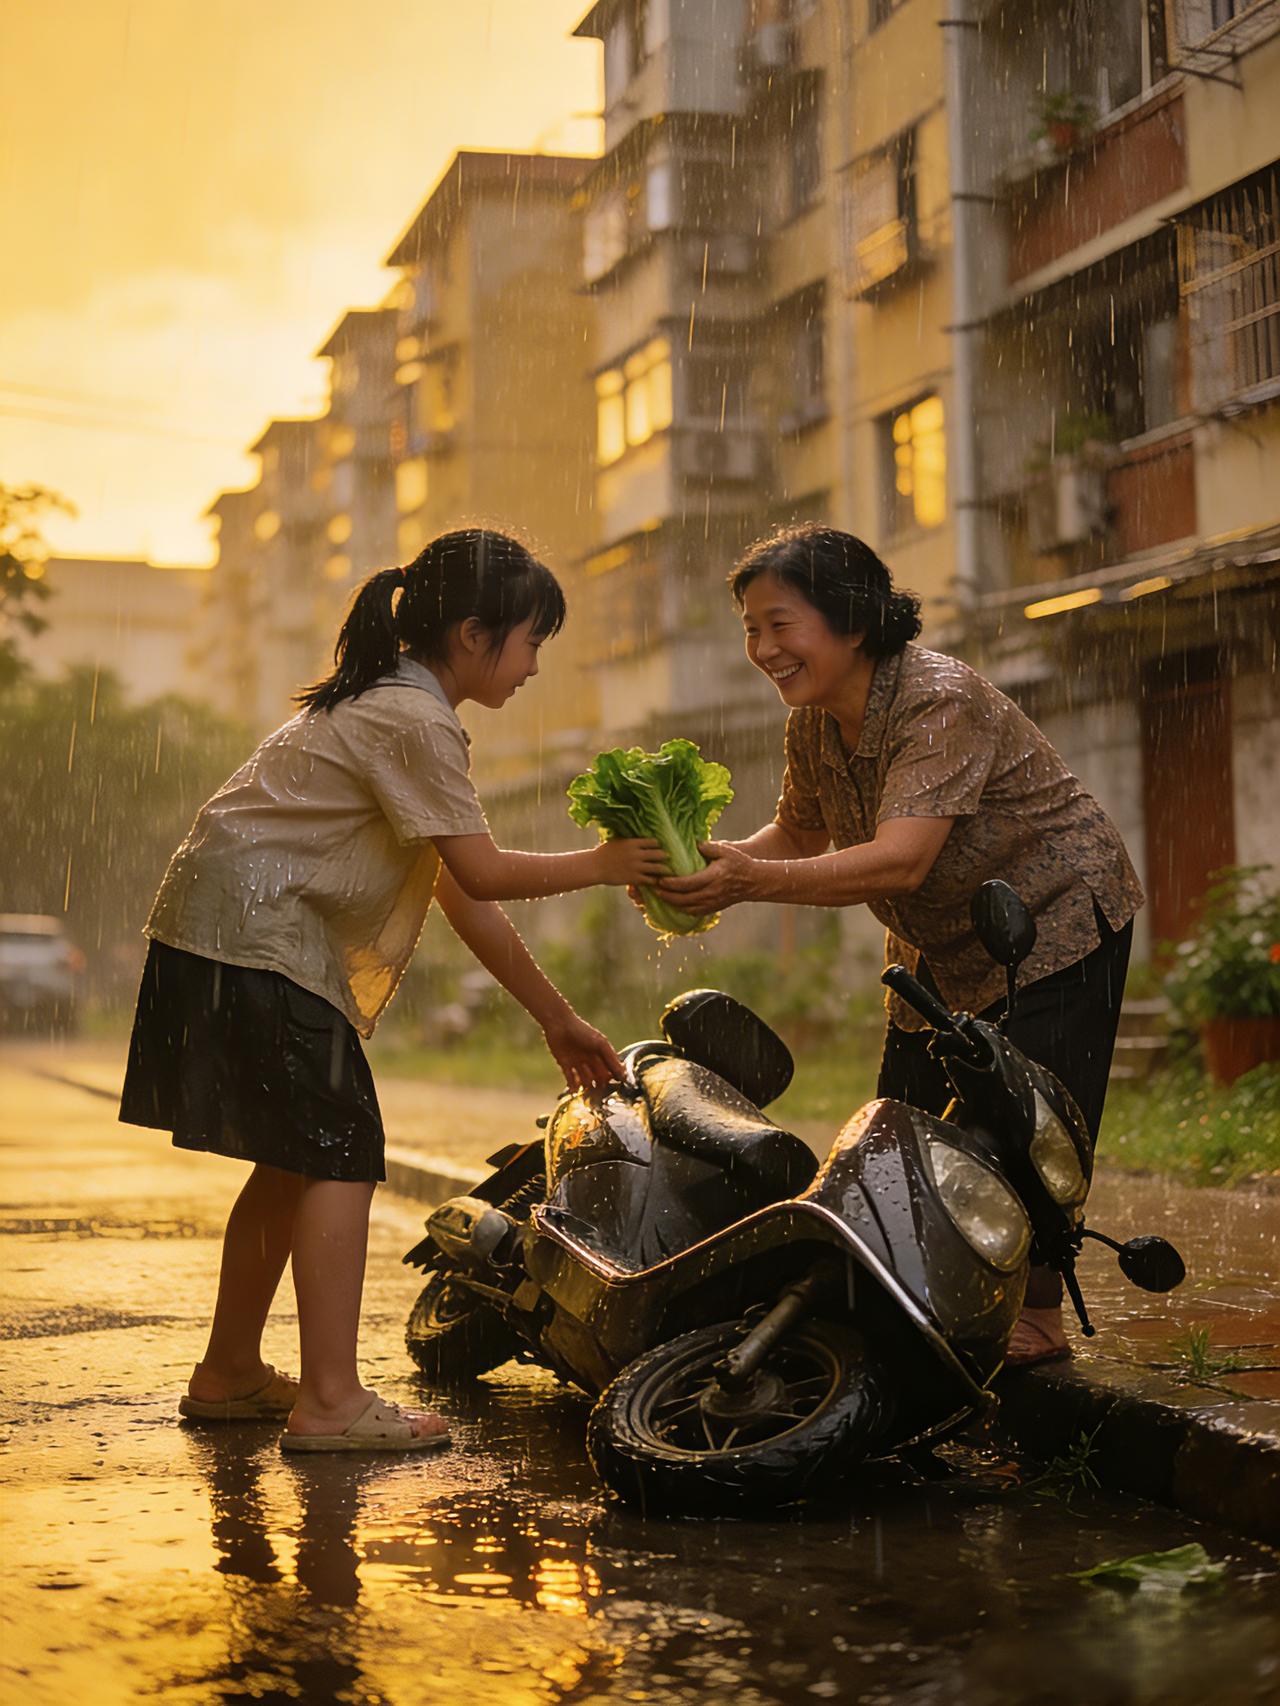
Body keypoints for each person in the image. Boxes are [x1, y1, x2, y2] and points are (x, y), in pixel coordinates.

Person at [120, 529, 667, 1452]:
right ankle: (330, 1403)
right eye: (531, 640)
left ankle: (230, 1373)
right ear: (470, 634)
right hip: (258, 937)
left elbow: (461, 893)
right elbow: (486, 875)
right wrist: (608, 863)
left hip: (223, 932)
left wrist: (558, 1018)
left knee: (295, 1155)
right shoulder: (414, 718)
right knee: (339, 1148)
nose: (535, 665)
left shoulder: (392, 706)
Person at [656, 524, 1143, 1367]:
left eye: (781, 623)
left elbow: (901, 859)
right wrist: (709, 865)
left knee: (1029, 1124)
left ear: (852, 622)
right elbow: (801, 833)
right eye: (751, 628)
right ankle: (915, 1295)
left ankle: (1039, 1318)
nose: (763, 647)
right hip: (940, 944)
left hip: (1054, 918)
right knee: (901, 1126)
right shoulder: (814, 720)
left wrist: (745, 881)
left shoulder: (936, 697)